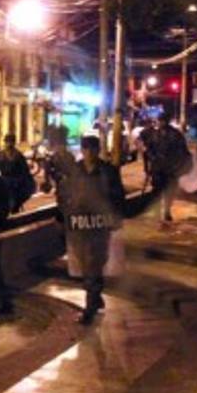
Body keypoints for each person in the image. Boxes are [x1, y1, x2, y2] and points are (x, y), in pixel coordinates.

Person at [62, 136, 125, 324]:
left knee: (94, 261)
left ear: (98, 150)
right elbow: (65, 192)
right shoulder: (75, 170)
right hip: (80, 222)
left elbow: (118, 195)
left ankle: (90, 305)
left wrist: (115, 216)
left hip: (99, 222)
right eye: (86, 149)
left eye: (92, 149)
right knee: (84, 262)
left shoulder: (108, 171)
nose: (89, 153)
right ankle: (95, 297)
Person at [148, 113, 190, 223]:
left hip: (171, 167)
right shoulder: (154, 134)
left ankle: (167, 210)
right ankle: (157, 210)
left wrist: (181, 165)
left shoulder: (176, 134)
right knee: (157, 190)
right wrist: (151, 158)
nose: (161, 123)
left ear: (167, 121)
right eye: (160, 120)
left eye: (163, 120)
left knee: (169, 191)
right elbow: (149, 148)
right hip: (157, 167)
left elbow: (183, 151)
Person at [0, 133, 36, 212]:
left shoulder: (18, 155)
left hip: (16, 180)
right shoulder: (0, 154)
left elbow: (24, 170)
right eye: (8, 141)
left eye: (11, 141)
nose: (9, 144)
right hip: (4, 179)